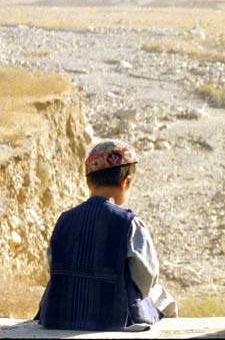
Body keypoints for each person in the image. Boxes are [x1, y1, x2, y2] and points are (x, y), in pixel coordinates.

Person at [36, 139, 178, 331]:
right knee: (162, 297)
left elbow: (53, 267)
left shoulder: (64, 220)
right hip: (113, 318)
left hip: (58, 315)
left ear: (87, 182)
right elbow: (146, 278)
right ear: (126, 182)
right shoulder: (129, 223)